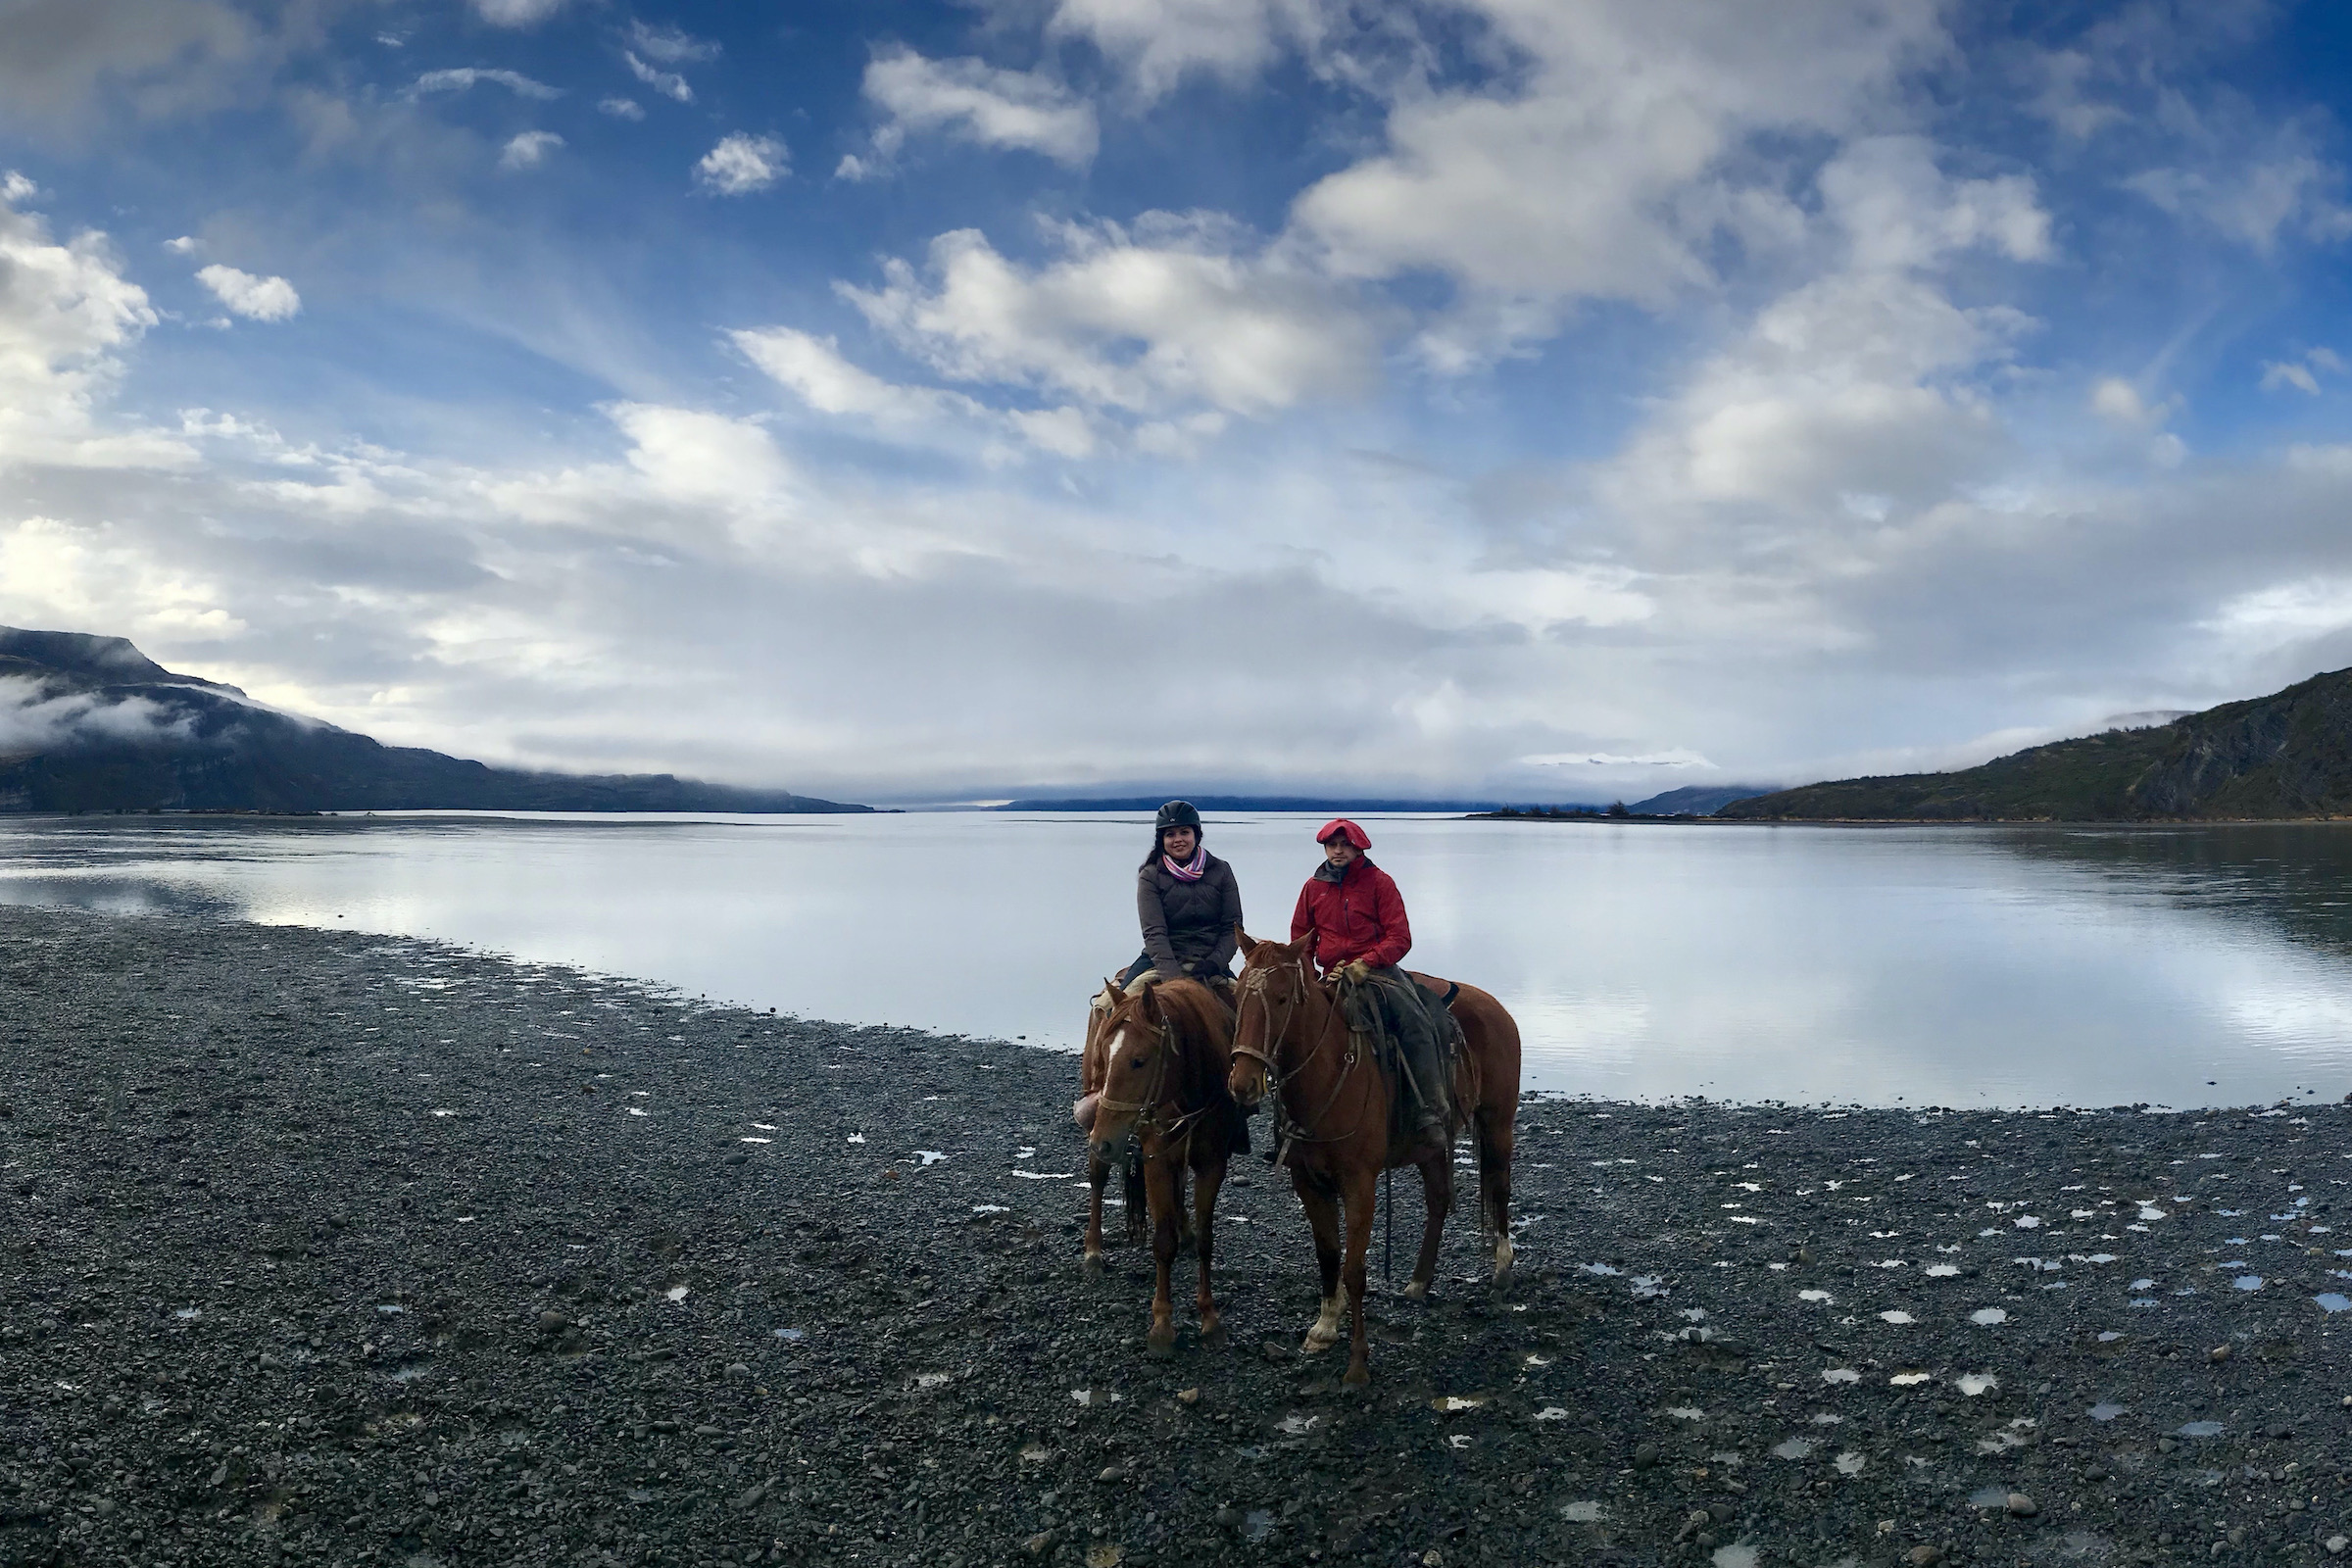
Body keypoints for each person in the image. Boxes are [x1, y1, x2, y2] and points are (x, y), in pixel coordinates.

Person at [1289, 817, 1452, 1145]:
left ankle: (1429, 1108)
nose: (1338, 851)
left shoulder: (1380, 883)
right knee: (1292, 1030)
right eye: (1332, 845)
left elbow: (1400, 937)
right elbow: (1301, 940)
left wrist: (1367, 962)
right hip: (1331, 975)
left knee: (1414, 1021)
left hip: (1379, 972)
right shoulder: (1312, 887)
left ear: (1357, 848)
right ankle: (1290, 1121)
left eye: (1344, 845)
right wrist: (1307, 978)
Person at [1117, 800, 1244, 995]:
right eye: (1170, 834)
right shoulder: (1150, 876)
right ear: (1162, 840)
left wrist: (1214, 964)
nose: (1178, 840)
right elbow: (1154, 932)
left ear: (1196, 835)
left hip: (1209, 963)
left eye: (1184, 832)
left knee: (1248, 1013)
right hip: (1162, 962)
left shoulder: (1221, 870)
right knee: (1111, 1008)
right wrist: (1174, 979)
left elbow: (1232, 928)